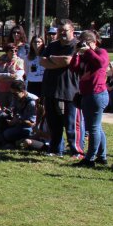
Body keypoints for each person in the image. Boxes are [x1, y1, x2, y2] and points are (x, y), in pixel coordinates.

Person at [40, 21, 84, 157]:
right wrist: (59, 62)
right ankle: (55, 149)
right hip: (51, 89)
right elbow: (42, 61)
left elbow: (68, 61)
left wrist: (52, 60)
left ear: (72, 30)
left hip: (70, 90)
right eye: (60, 31)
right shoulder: (52, 45)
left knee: (72, 123)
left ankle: (76, 151)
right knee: (53, 123)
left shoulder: (76, 45)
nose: (62, 33)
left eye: (65, 30)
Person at [69, 30, 109, 166]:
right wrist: (76, 53)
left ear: (94, 42)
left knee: (93, 128)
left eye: (87, 42)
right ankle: (102, 156)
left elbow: (100, 63)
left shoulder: (101, 52)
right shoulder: (84, 56)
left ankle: (89, 159)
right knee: (96, 127)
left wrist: (88, 51)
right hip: (86, 94)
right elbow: (73, 68)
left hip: (97, 94)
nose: (85, 45)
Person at [0, 43, 23, 110]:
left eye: (16, 50)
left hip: (14, 91)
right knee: (1, 110)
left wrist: (1, 78)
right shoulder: (0, 61)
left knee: (13, 110)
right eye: (12, 50)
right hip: (1, 90)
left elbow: (17, 77)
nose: (14, 52)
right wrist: (9, 75)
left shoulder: (19, 61)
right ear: (7, 51)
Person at [24, 34, 45, 101]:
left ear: (42, 43)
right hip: (32, 82)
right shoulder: (27, 57)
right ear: (31, 44)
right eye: (35, 42)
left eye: (39, 42)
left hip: (43, 82)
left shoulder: (46, 56)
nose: (36, 44)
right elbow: (26, 70)